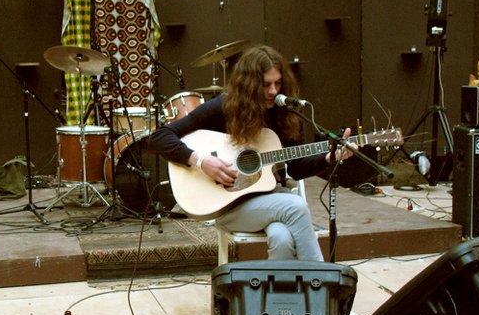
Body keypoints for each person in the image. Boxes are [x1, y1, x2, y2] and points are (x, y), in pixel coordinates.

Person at [148, 44, 352, 261]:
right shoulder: (223, 108)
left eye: (278, 83)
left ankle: (279, 294)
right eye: (265, 85)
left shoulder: (287, 114)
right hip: (227, 206)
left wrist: (330, 157)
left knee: (282, 239)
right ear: (249, 85)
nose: (274, 91)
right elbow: (159, 137)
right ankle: (321, 284)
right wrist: (201, 161)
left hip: (269, 201)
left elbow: (297, 167)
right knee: (296, 206)